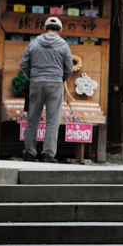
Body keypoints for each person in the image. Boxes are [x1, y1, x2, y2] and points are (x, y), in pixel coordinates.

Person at [19, 17, 74, 162]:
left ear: (44, 28)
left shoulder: (34, 43)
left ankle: (30, 152)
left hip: (36, 83)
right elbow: (69, 68)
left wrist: (33, 75)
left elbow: (23, 62)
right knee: (52, 120)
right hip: (55, 84)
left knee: (32, 119)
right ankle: (48, 154)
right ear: (61, 30)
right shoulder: (63, 45)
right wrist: (60, 78)